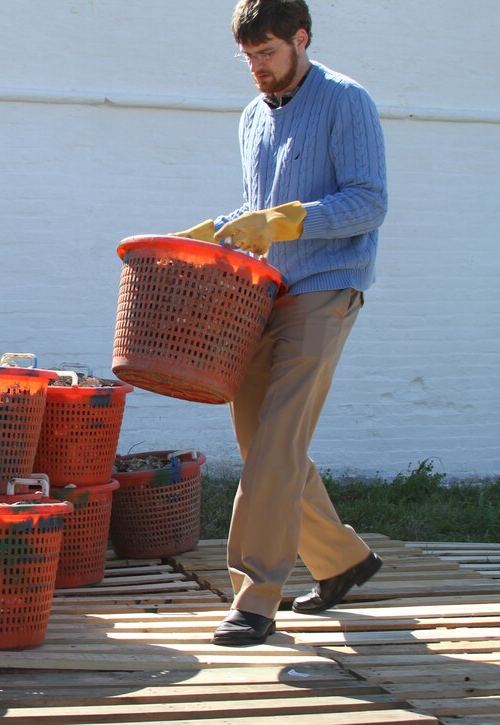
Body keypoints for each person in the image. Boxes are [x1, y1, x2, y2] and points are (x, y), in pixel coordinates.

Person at [172, 0, 388, 645]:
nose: (257, 68)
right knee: (260, 439)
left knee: (274, 444)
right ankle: (345, 561)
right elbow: (260, 207)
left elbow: (368, 201)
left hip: (327, 289)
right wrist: (219, 228)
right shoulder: (252, 117)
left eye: (266, 54)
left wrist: (288, 219)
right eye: (248, 58)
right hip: (261, 297)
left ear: (301, 39)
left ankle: (255, 599)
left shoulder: (348, 101)